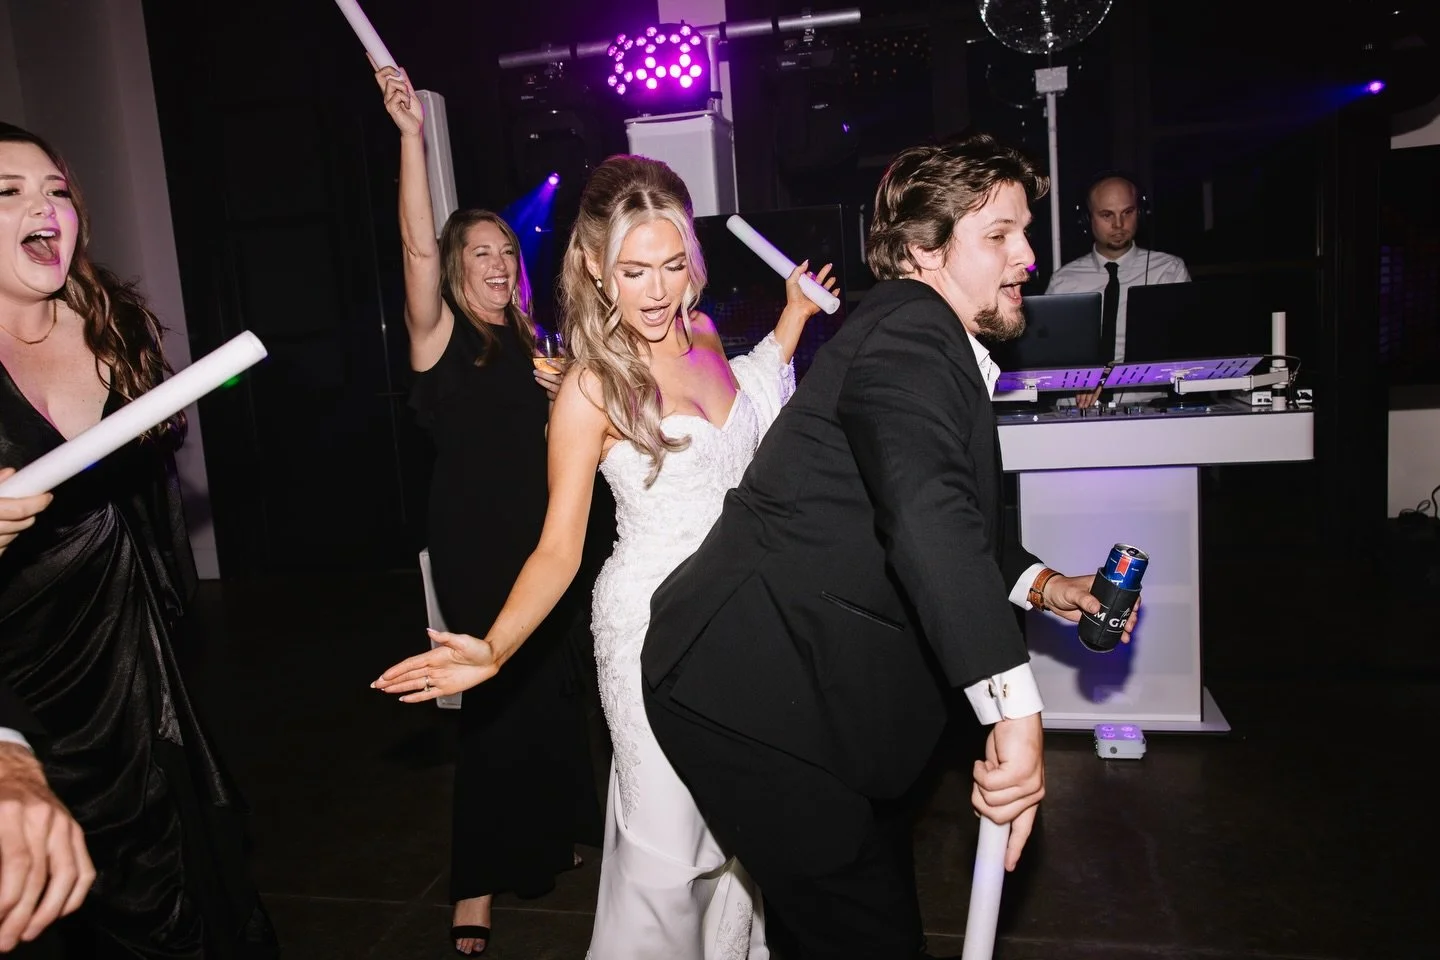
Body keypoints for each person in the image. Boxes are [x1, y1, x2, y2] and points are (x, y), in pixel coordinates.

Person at [639, 135, 1139, 960]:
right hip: (748, 691)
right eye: (1000, 235)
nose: (1029, 256)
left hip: (818, 692)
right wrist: (1015, 714)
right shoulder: (911, 327)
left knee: (844, 914)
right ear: (921, 251)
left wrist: (1048, 586)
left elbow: (943, 519)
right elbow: (922, 509)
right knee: (862, 927)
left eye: (1026, 231)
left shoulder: (923, 336)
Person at [374, 154, 836, 959]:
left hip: (742, 625)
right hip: (651, 632)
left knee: (735, 841)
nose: (657, 291)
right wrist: (495, 646)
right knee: (666, 852)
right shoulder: (590, 386)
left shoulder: (697, 332)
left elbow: (754, 396)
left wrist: (793, 317)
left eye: (671, 264)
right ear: (594, 266)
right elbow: (559, 548)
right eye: (633, 270)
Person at [0, 122, 277, 958]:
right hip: (26, 688)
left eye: (56, 190)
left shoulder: (109, 319)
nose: (44, 207)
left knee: (193, 888)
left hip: (139, 670)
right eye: (7, 192)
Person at [368, 60, 602, 955]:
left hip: (545, 536)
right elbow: (417, 250)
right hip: (473, 540)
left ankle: (544, 839)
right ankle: (472, 890)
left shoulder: (530, 342)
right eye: (481, 255)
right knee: (493, 697)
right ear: (456, 270)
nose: (499, 266)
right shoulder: (439, 337)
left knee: (550, 689)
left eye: (507, 252)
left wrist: (560, 385)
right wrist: (411, 138)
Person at [1047, 174, 1189, 407]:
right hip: (1075, 409)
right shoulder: (1064, 280)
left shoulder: (1168, 270)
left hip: (1146, 406)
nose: (1118, 225)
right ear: (1087, 219)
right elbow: (1048, 355)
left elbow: (1183, 349)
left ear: (1141, 214)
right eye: (1106, 215)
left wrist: (1111, 374)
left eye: (1127, 212)